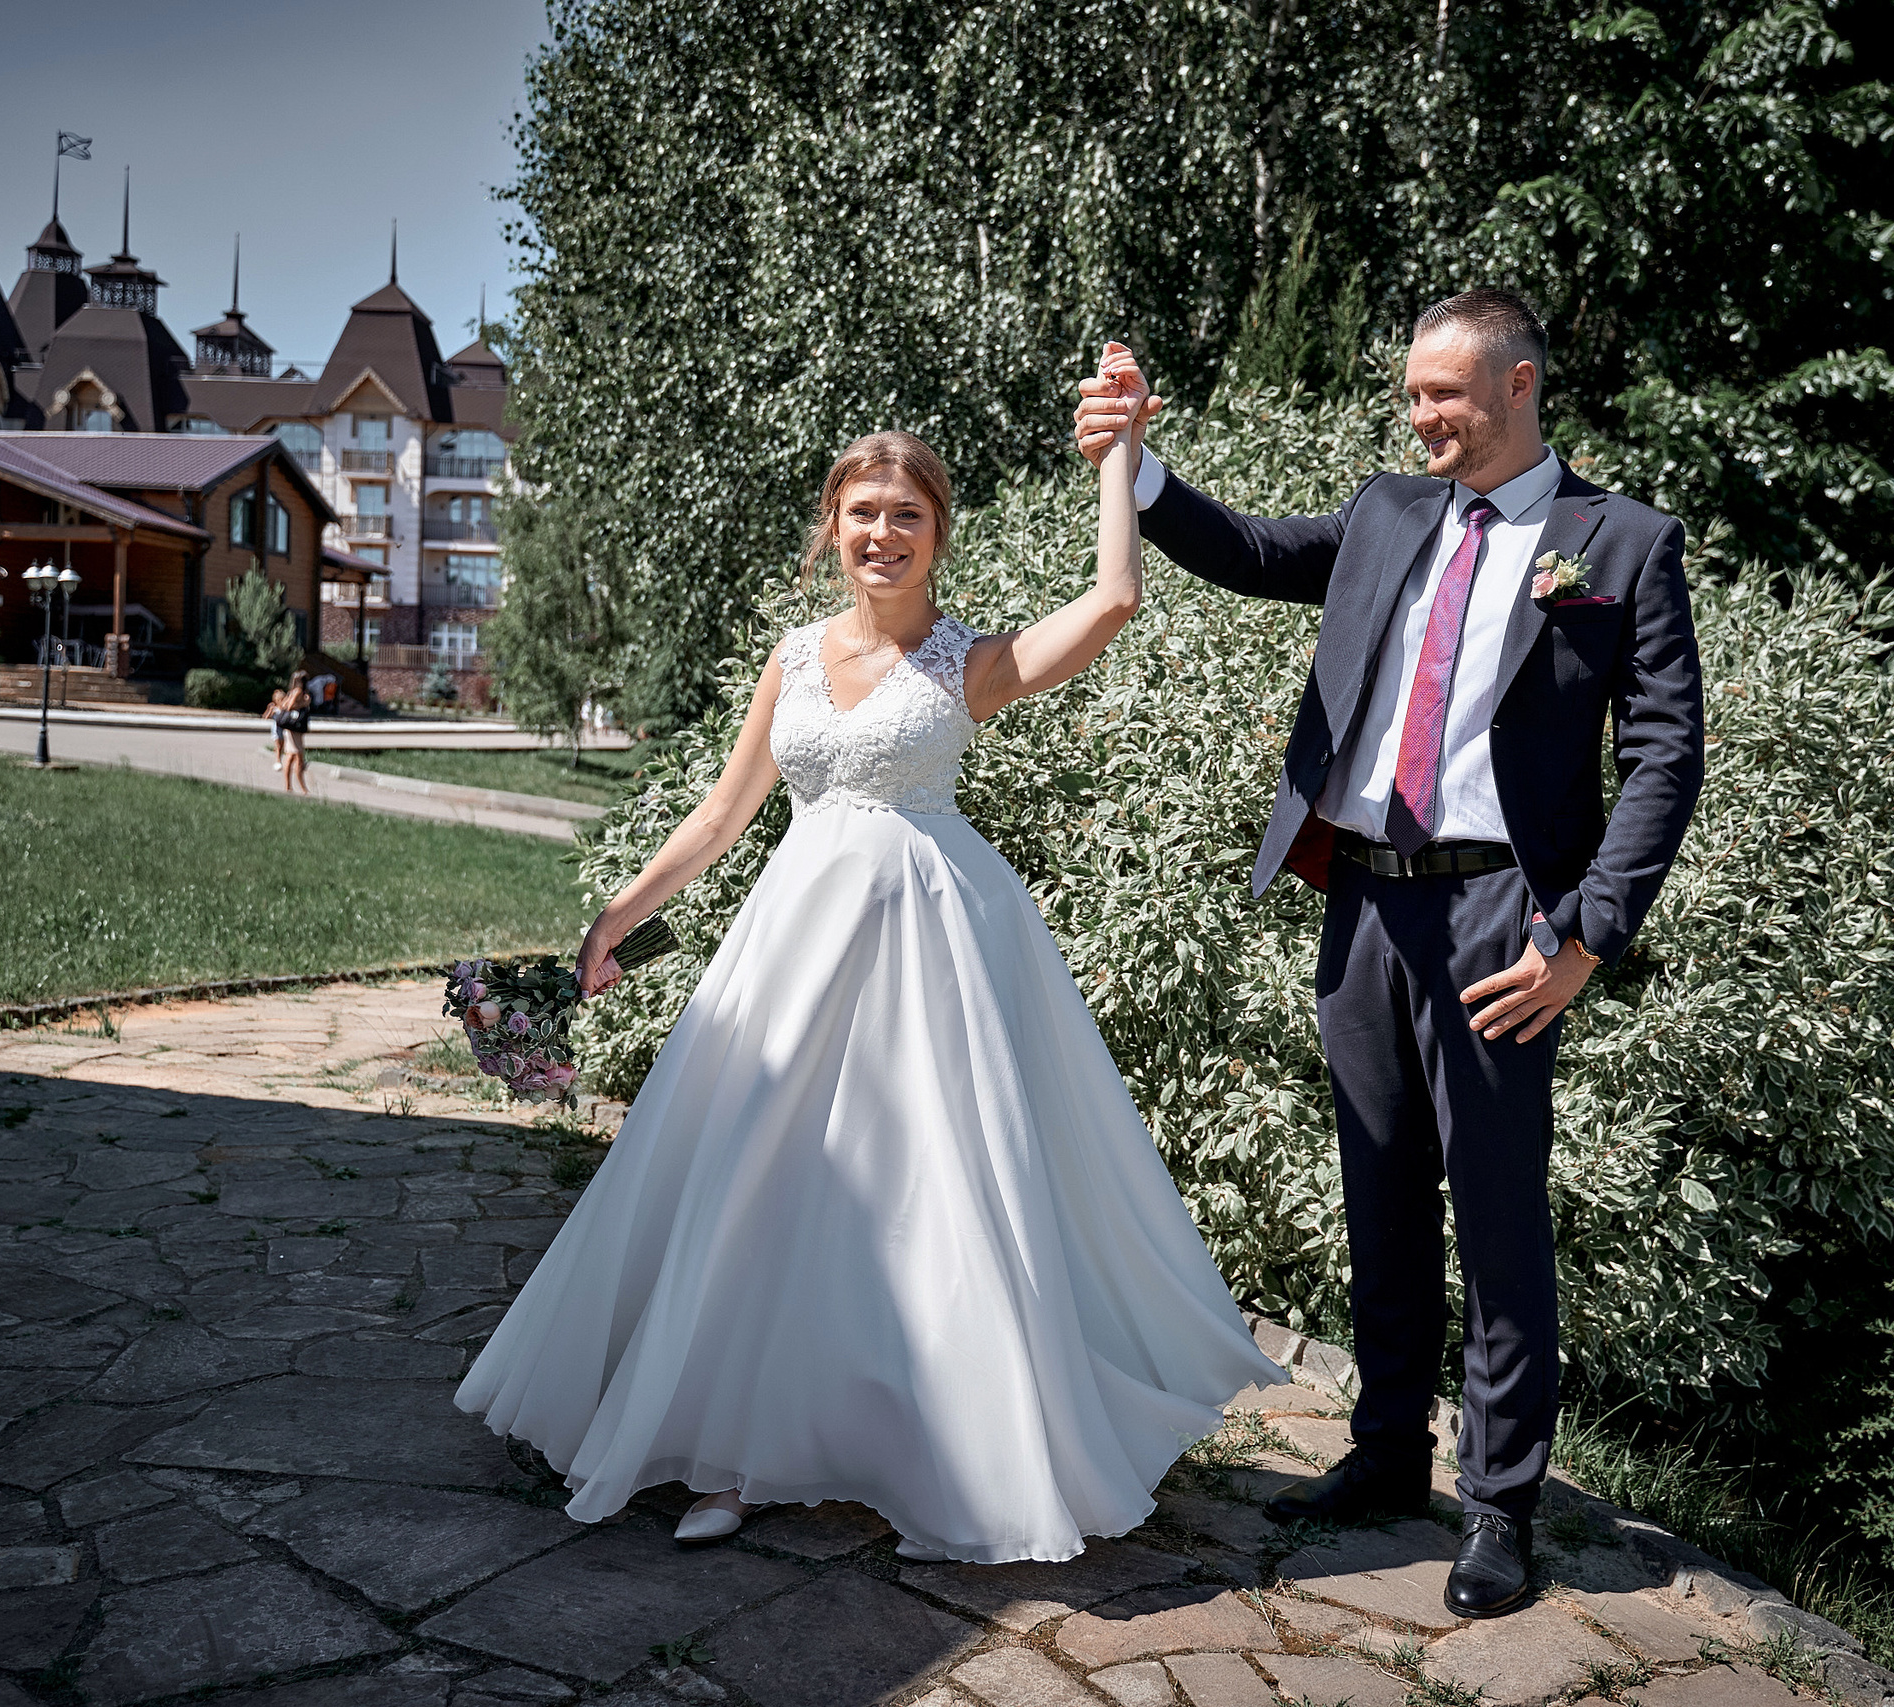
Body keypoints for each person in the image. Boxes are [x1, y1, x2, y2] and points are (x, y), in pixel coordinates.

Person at [455, 395, 1283, 1563]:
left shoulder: (965, 663)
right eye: (861, 513)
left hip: (932, 953)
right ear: (830, 529)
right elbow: (725, 809)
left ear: (938, 533)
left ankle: (934, 1445)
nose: (880, 533)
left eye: (905, 514)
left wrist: (1122, 463)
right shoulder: (791, 657)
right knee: (757, 1181)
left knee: (924, 1193)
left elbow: (1113, 601)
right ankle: (726, 1456)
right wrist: (624, 910)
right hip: (792, 944)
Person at [1072, 290, 1705, 1617]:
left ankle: (1499, 1504)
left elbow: (1661, 756)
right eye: (1412, 393)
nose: (1420, 416)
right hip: (1362, 900)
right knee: (1379, 1188)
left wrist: (1586, 932)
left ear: (1521, 384)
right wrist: (1135, 461)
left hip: (1498, 915)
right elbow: (1244, 549)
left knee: (1498, 1206)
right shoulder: (1387, 512)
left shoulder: (1619, 544)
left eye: (1445, 395)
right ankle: (1380, 1455)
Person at [267, 670, 311, 795]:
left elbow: (285, 705)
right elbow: (289, 706)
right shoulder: (298, 692)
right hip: (294, 729)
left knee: (291, 756)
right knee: (298, 757)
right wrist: (304, 703)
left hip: (292, 729)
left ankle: (289, 787)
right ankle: (303, 788)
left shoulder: (292, 692)